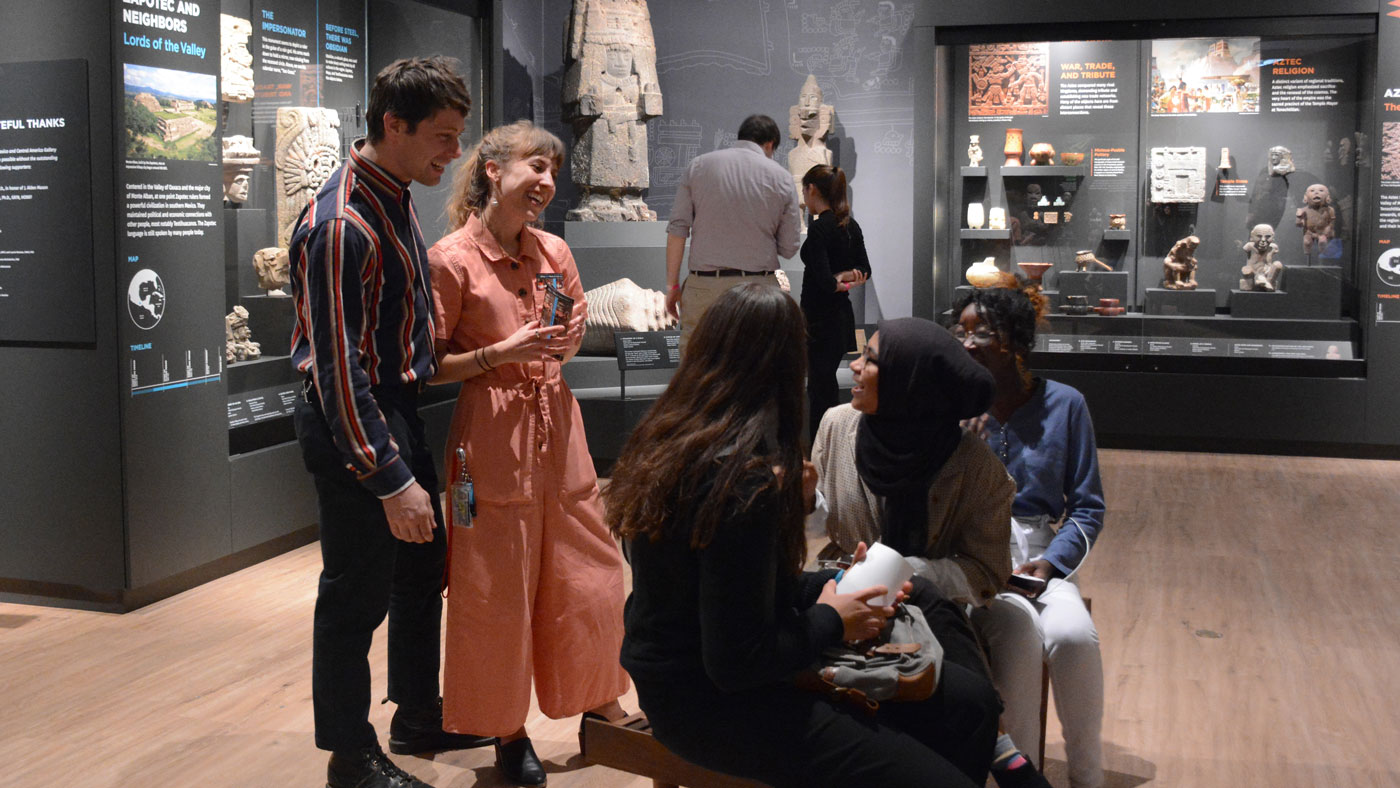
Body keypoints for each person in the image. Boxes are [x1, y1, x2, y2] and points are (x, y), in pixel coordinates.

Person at [607, 284, 1001, 788]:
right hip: (711, 701)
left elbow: (734, 590)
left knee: (966, 693)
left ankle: (997, 743)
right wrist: (832, 619)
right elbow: (738, 661)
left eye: (872, 359)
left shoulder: (671, 439)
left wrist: (835, 585)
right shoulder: (743, 479)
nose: (855, 366)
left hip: (682, 674)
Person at [288, 57, 486, 788]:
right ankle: (349, 755)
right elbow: (338, 372)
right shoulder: (342, 225)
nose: (453, 153)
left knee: (417, 568)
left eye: (457, 135)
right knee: (354, 594)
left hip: (391, 409)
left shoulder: (394, 191)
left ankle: (415, 712)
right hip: (355, 423)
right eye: (441, 136)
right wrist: (388, 476)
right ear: (393, 126)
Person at [427, 120, 629, 788]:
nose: (546, 182)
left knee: (589, 565)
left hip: (557, 424)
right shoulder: (451, 258)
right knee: (495, 583)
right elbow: (426, 365)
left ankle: (602, 701)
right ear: (492, 169)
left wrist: (557, 345)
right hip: (488, 430)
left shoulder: (555, 253)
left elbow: (567, 335)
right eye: (534, 166)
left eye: (552, 171)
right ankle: (508, 733)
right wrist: (496, 355)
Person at [953, 283, 1106, 788]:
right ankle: (1026, 776)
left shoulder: (1067, 405)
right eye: (963, 332)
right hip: (973, 555)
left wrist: (1052, 563)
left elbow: (1087, 508)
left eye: (984, 333)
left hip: (1040, 556)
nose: (969, 343)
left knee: (1073, 635)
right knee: (1018, 641)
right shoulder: (954, 412)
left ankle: (1087, 775)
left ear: (1017, 341)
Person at [664, 114, 802, 351]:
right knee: (756, 368)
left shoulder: (698, 166)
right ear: (769, 144)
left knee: (697, 369)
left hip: (705, 287)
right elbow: (789, 248)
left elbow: (678, 229)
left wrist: (672, 286)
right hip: (759, 290)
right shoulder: (782, 177)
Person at [798, 163, 869, 439]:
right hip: (840, 318)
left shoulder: (819, 228)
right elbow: (865, 271)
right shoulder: (851, 225)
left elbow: (824, 280)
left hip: (818, 320)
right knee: (824, 385)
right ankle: (828, 445)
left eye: (804, 191)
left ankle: (822, 448)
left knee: (819, 389)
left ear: (812, 189)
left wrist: (837, 281)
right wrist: (847, 279)